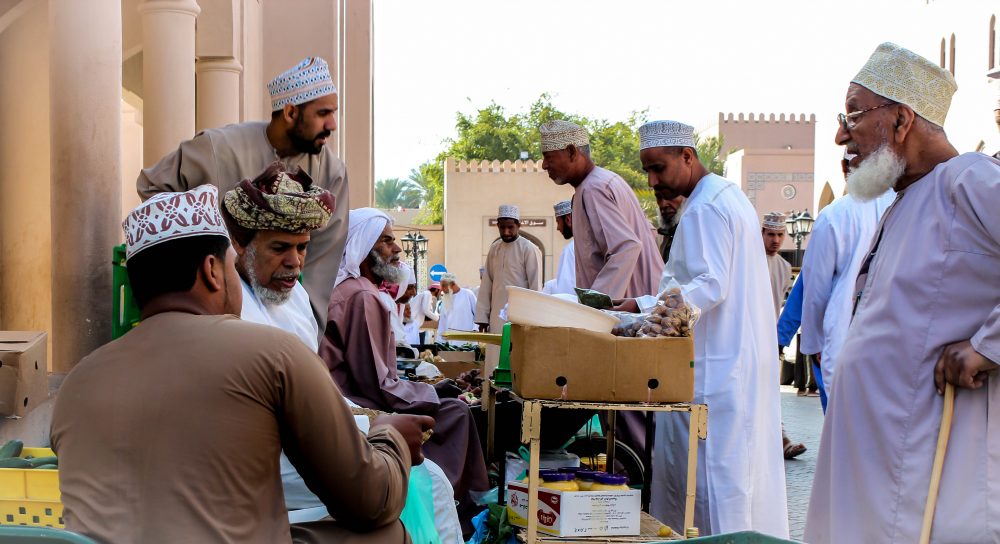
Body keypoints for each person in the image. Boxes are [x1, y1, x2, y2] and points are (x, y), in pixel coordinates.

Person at [51, 186, 430, 544]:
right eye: (234, 266)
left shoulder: (77, 382)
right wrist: (391, 436)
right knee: (385, 532)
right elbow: (369, 500)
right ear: (212, 271)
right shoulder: (273, 353)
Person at [805, 43, 1000, 543]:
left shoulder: (968, 179)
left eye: (853, 114)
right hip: (879, 459)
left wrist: (986, 346)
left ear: (901, 119)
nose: (840, 135)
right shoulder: (909, 196)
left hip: (924, 469)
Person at [221, 170, 462, 543]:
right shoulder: (231, 305)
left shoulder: (294, 296)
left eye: (301, 248)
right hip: (270, 458)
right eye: (279, 248)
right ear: (241, 242)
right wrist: (379, 429)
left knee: (429, 477)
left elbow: (321, 390)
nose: (294, 262)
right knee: (427, 480)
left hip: (315, 438)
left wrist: (380, 422)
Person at [617, 120, 788, 537]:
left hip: (714, 369)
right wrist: (642, 306)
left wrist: (643, 322)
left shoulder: (706, 207)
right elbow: (699, 280)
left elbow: (708, 285)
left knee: (712, 489)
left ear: (687, 157)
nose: (654, 180)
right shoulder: (727, 196)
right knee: (734, 483)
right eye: (648, 172)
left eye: (659, 168)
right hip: (732, 363)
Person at [137, 57, 348, 330]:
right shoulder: (218, 148)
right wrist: (212, 249)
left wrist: (311, 333)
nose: (332, 124)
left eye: (333, 113)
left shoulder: (332, 172)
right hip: (213, 310)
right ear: (291, 112)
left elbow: (323, 261)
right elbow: (152, 187)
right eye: (323, 114)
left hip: (287, 309)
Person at [320, 208, 489, 533]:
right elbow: (376, 385)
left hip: (351, 398)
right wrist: (434, 393)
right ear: (363, 247)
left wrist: (431, 389)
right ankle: (461, 513)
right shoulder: (362, 295)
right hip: (355, 407)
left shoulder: (355, 291)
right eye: (386, 241)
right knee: (458, 412)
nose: (396, 249)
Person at [538, 120, 663, 299]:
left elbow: (626, 247)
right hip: (639, 303)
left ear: (571, 152)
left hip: (630, 308)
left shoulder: (595, 188)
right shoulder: (603, 181)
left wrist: (595, 305)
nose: (544, 165)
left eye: (548, 157)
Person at [799, 189, 893, 402]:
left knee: (845, 416)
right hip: (894, 337)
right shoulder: (907, 205)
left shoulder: (835, 214)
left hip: (844, 333)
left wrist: (815, 342)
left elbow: (816, 287)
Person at [475, 205, 542, 374]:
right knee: (495, 356)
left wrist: (533, 319)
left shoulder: (529, 248)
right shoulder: (494, 249)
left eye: (510, 227)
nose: (506, 232)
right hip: (496, 317)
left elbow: (535, 286)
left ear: (518, 225)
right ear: (497, 226)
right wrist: (482, 317)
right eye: (502, 227)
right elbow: (486, 284)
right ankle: (494, 393)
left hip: (519, 317)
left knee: (516, 357)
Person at [542, 199, 576, 295]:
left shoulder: (570, 249)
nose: (557, 228)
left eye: (558, 222)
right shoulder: (591, 243)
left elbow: (566, 290)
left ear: (568, 219)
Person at [437, 273, 478, 345]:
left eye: (443, 286)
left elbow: (478, 314)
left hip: (467, 340)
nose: (442, 289)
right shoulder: (445, 299)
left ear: (452, 284)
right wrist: (439, 342)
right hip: (450, 342)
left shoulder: (468, 294)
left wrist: (475, 329)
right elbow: (442, 323)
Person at [655, 185, 685, 264]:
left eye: (670, 196)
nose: (663, 205)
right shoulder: (660, 237)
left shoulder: (698, 234)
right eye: (659, 197)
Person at [406, 281, 441, 346]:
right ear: (436, 290)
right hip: (412, 325)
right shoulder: (428, 294)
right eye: (440, 291)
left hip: (413, 325)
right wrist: (437, 318)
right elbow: (426, 310)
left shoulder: (425, 294)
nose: (440, 293)